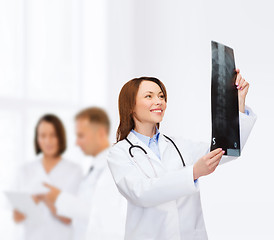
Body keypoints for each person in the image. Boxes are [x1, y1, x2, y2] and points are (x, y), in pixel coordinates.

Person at [107, 71, 257, 240]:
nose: (159, 101)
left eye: (161, 96)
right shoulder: (119, 153)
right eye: (149, 96)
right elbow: (140, 193)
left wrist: (237, 102)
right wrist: (193, 173)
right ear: (130, 106)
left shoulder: (179, 145)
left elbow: (226, 150)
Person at [39, 107, 126, 240]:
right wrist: (56, 205)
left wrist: (59, 198)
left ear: (101, 133)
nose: (77, 142)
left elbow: (103, 215)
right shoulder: (94, 168)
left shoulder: (112, 168)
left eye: (81, 136)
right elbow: (83, 213)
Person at [12, 114, 82, 240]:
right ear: (37, 139)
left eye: (53, 135)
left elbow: (69, 218)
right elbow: (17, 217)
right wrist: (33, 200)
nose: (48, 141)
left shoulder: (74, 171)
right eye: (43, 136)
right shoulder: (25, 171)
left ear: (60, 138)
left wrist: (45, 198)